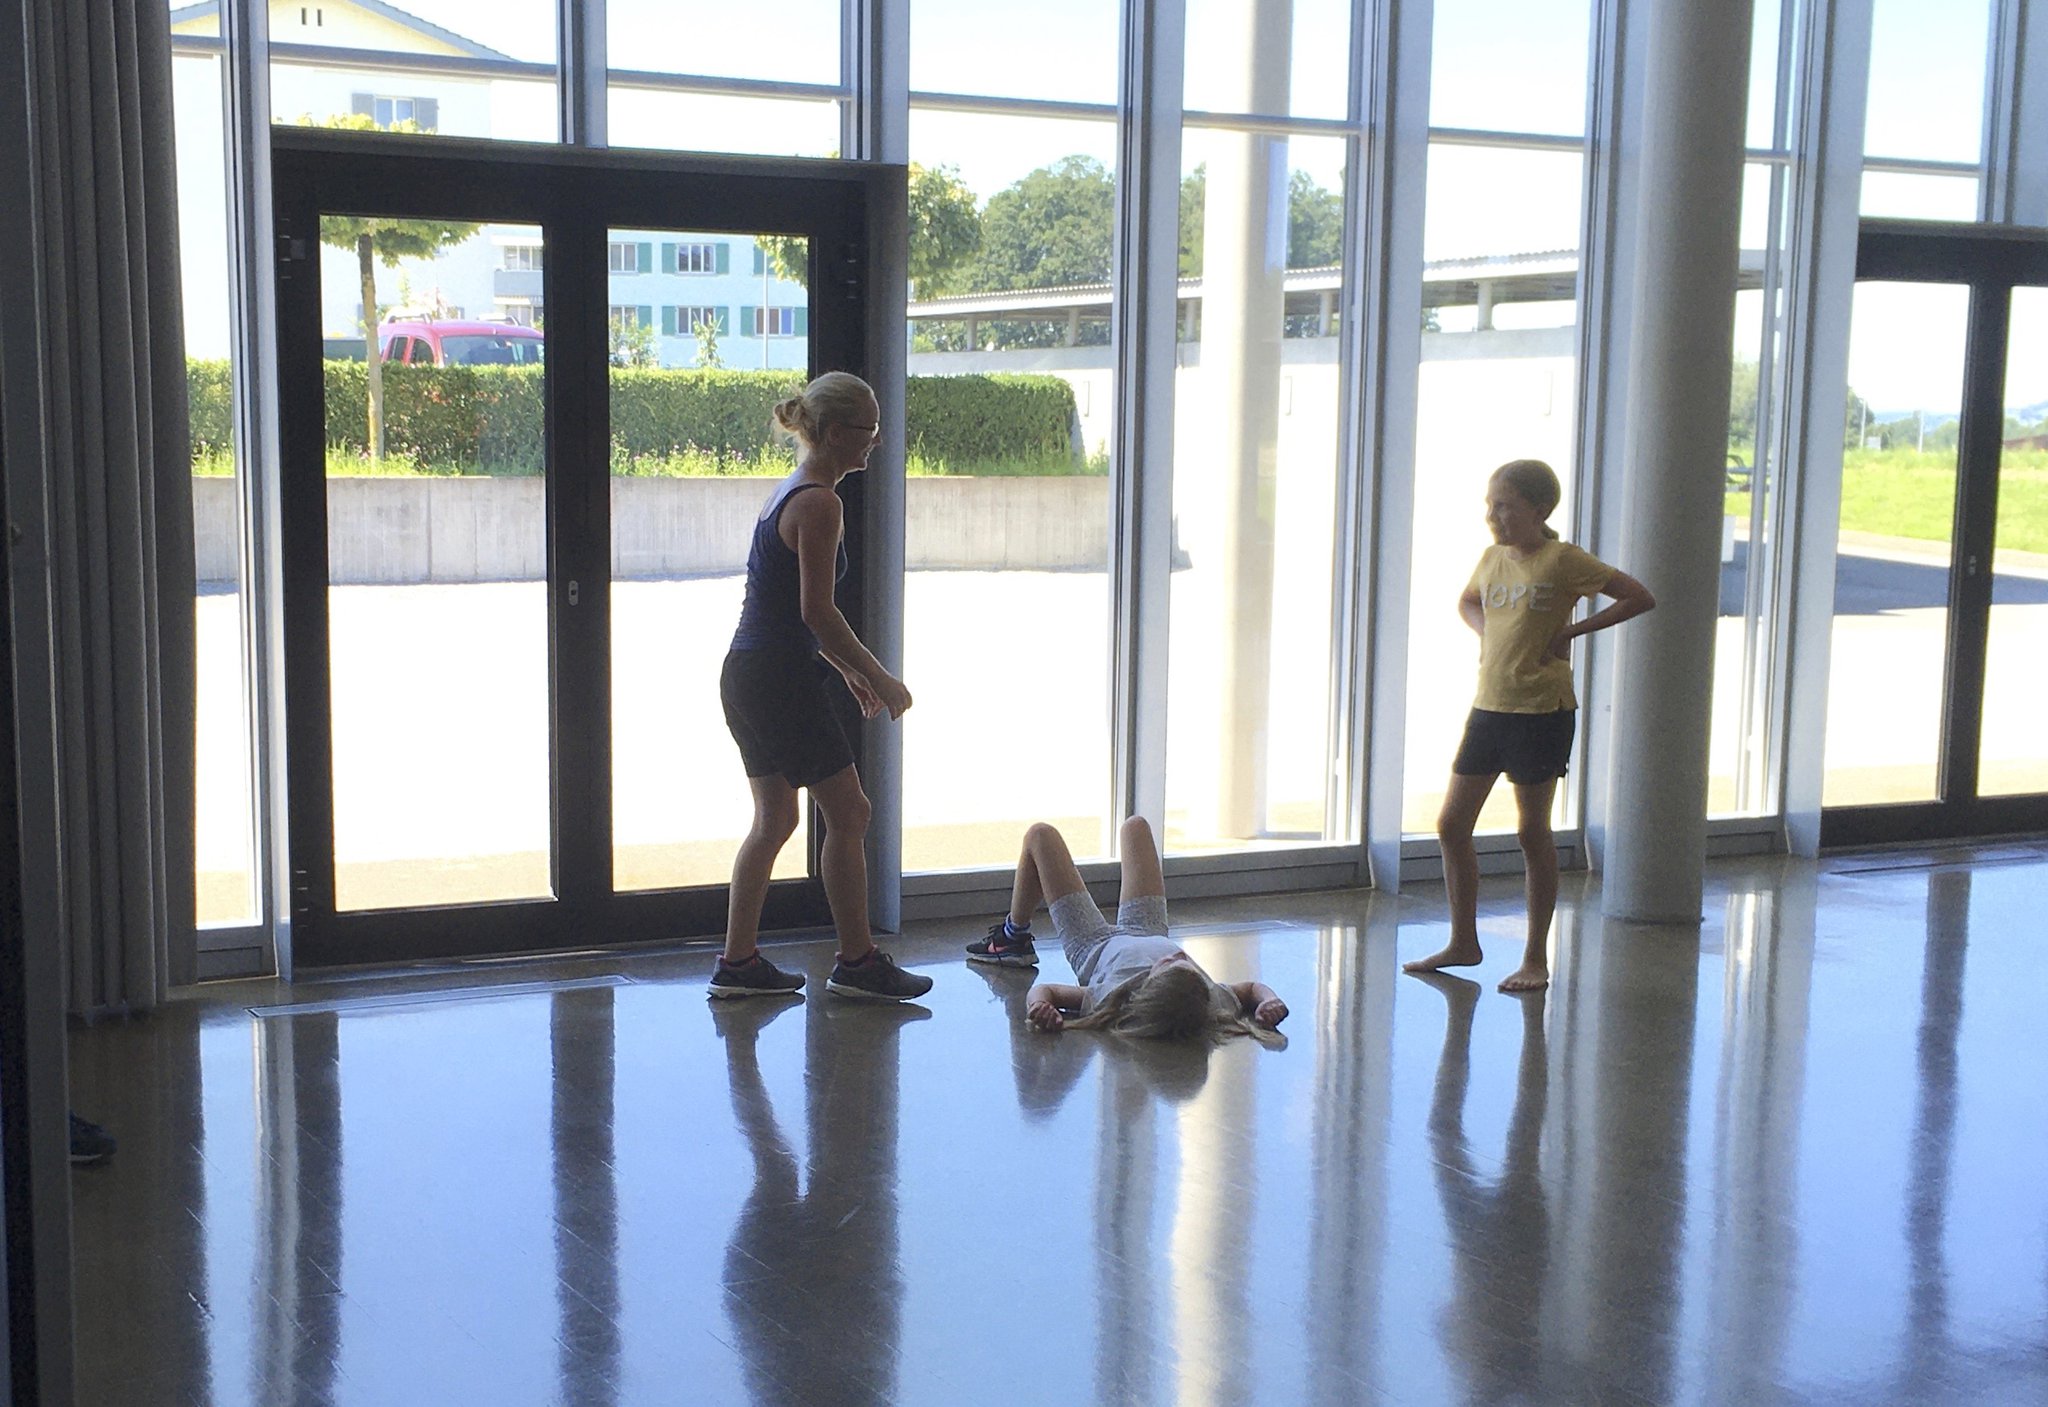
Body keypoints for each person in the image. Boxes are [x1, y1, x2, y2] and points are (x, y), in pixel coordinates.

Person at [710, 372, 932, 1003]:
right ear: (835, 434)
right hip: (777, 677)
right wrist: (879, 675)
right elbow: (817, 612)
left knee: (776, 817)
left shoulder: (793, 490)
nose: (877, 442)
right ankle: (858, 963)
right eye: (869, 430)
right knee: (850, 812)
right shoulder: (819, 503)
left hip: (749, 673)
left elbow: (794, 611)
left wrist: (848, 672)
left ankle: (737, 964)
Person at [1404, 458, 1655, 993]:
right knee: (1451, 824)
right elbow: (1468, 601)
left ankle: (1535, 957)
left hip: (1543, 711)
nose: (1493, 516)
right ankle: (1464, 942)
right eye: (1490, 505)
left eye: (1506, 506)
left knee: (1531, 830)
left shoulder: (1563, 560)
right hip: (1490, 707)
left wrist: (1572, 632)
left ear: (1539, 510)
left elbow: (1638, 596)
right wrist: (1487, 632)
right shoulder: (1491, 558)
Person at [966, 816, 1286, 1041]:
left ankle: (1012, 939)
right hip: (1149, 929)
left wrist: (1039, 1006)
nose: (1179, 957)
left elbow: (1047, 990)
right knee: (1136, 826)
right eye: (1187, 964)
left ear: (1146, 985)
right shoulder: (1209, 999)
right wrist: (1269, 1002)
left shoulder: (1113, 995)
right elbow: (1251, 989)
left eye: (1168, 964)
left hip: (1094, 943)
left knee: (1040, 835)